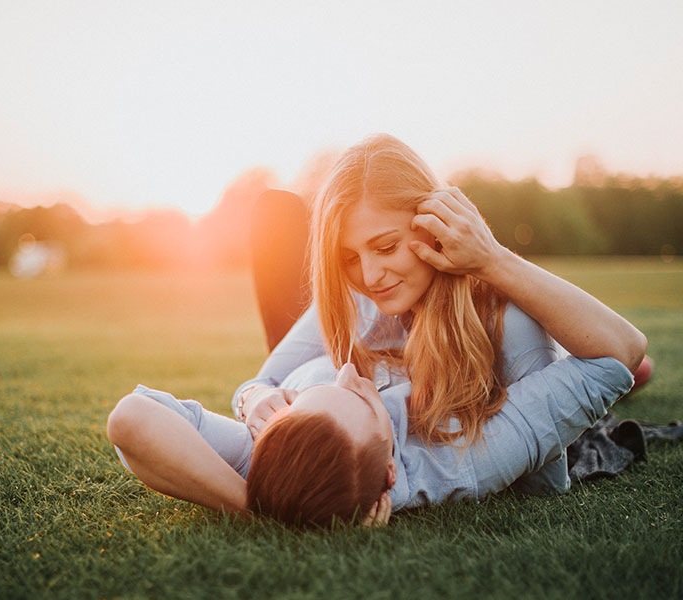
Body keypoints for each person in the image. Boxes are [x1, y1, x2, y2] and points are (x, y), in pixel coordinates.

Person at [106, 134, 646, 525]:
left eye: (385, 247)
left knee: (279, 226)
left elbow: (546, 473)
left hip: (320, 406)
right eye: (348, 257)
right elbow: (259, 386)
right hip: (319, 415)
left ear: (433, 221)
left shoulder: (506, 323)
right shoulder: (359, 299)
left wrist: (491, 260)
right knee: (298, 248)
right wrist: (259, 408)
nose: (368, 275)